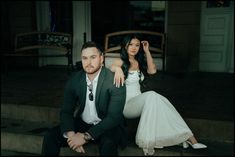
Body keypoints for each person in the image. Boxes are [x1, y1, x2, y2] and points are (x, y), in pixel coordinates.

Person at [110, 34, 207, 156]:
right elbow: (112, 67)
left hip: (139, 102)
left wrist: (147, 51)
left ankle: (186, 137)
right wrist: (118, 69)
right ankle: (187, 138)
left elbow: (152, 71)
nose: (134, 48)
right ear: (125, 46)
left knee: (160, 101)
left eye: (137, 45)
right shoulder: (120, 61)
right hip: (126, 105)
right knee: (152, 95)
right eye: (131, 45)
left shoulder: (138, 61)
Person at [41, 41, 127, 156]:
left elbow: (113, 117)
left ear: (102, 59)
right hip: (83, 123)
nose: (88, 62)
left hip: (107, 126)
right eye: (85, 58)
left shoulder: (115, 80)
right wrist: (71, 136)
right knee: (50, 136)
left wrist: (85, 136)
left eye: (93, 57)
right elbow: (66, 111)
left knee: (108, 144)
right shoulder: (75, 79)